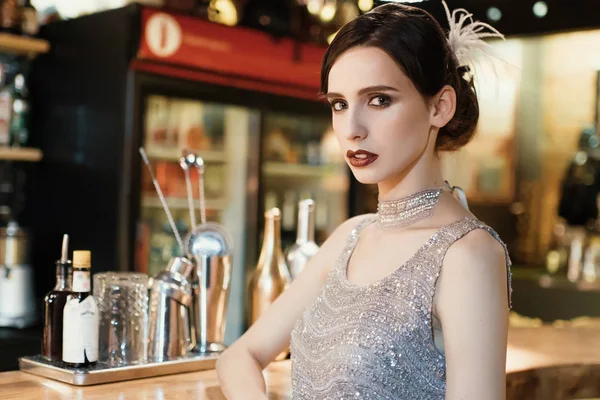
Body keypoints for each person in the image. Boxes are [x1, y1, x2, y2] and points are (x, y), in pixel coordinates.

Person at [217, 2, 512, 399]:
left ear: (439, 106)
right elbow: (240, 356)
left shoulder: (467, 254)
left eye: (379, 100)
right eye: (339, 104)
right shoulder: (351, 236)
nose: (352, 129)